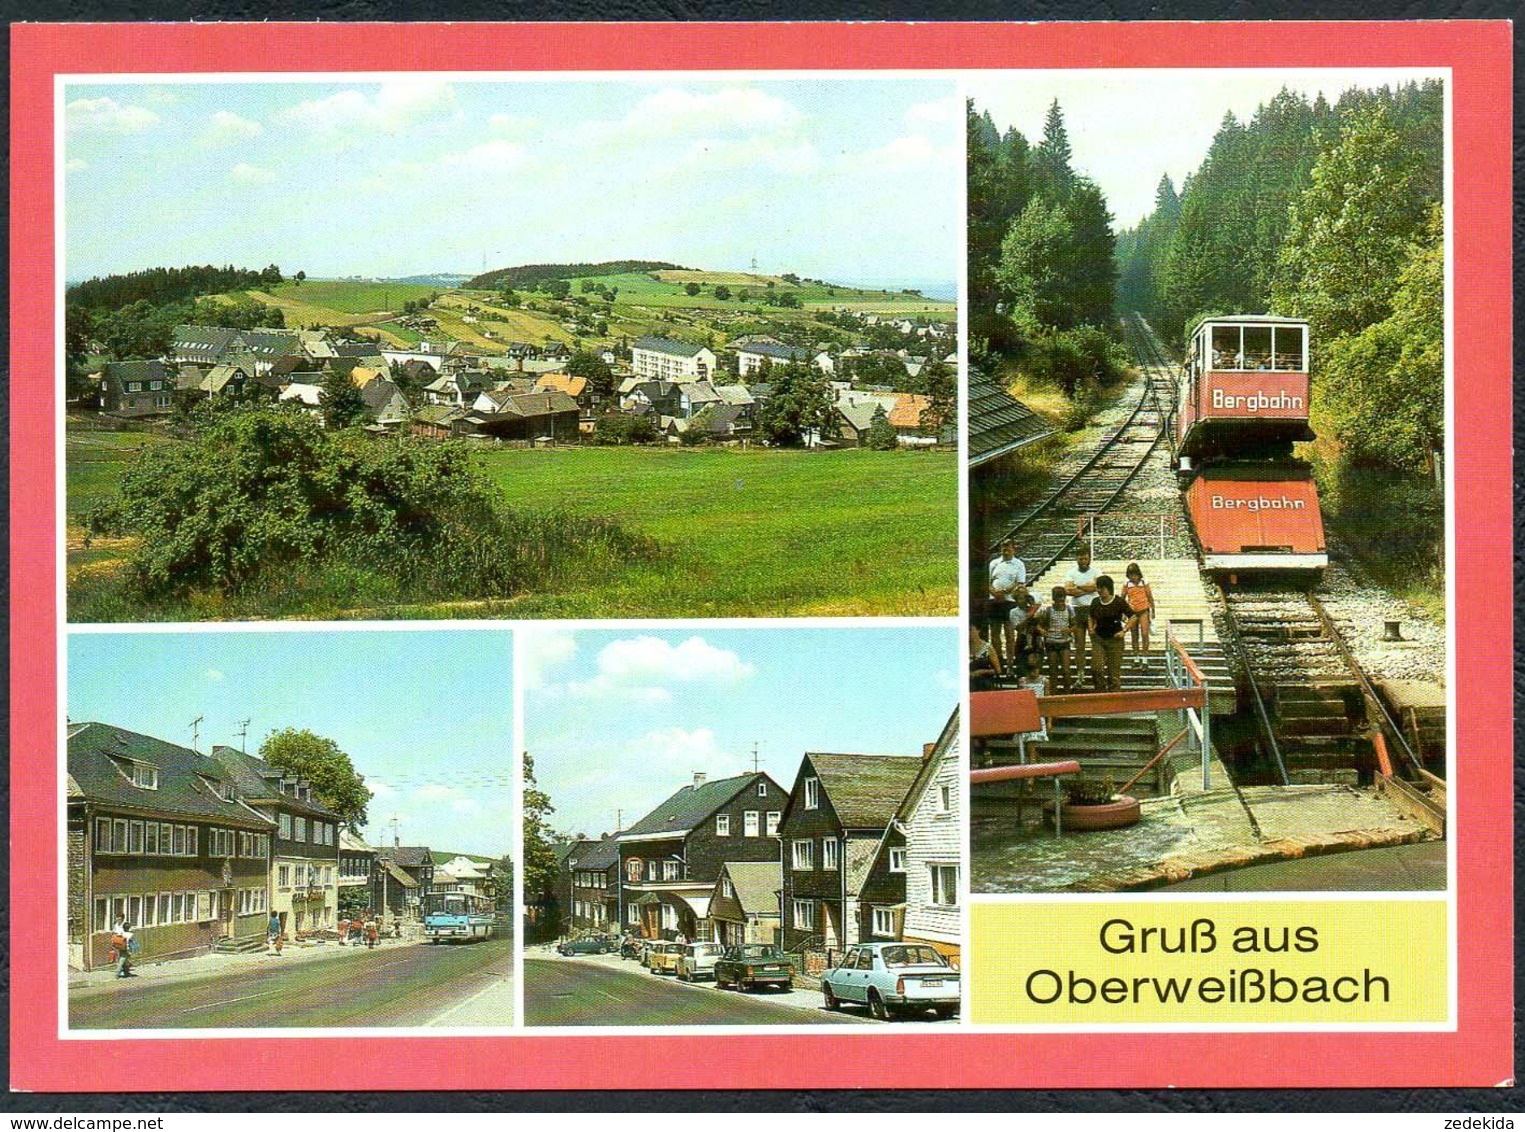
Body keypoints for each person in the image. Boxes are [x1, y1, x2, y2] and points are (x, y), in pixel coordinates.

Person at [1088, 575, 1131, 693]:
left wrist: (1125, 630)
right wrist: (1090, 628)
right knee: (1096, 668)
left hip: (1115, 639)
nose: (1100, 591)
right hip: (1099, 638)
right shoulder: (1095, 602)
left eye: (1102, 588)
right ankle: (1100, 692)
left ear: (1109, 588)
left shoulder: (1118, 601)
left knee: (1114, 673)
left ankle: (1115, 697)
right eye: (1098, 588)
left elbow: (1133, 616)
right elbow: (1090, 616)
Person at [988, 541, 1028, 667]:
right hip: (994, 601)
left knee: (1009, 633)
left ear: (1013, 549)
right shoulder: (994, 563)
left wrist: (1004, 592)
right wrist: (994, 592)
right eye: (1003, 550)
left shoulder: (1018, 564)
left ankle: (1010, 661)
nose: (1005, 552)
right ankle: (999, 659)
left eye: (1008, 550)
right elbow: (988, 581)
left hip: (1009, 601)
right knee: (995, 632)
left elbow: (1020, 582)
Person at [1064, 549, 1100, 686]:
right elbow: (1068, 590)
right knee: (1079, 645)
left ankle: (1097, 673)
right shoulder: (1071, 572)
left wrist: (1077, 587)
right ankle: (1080, 675)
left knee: (1096, 643)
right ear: (1077, 559)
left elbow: (1097, 586)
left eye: (1085, 559)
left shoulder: (1096, 571)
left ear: (1089, 558)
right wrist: (1087, 588)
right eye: (1080, 559)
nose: (1083, 562)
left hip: (1092, 610)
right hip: (1077, 611)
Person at [1034, 585, 1073, 694]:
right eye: (1058, 600)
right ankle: (1053, 692)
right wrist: (1042, 631)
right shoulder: (1048, 610)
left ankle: (1067, 692)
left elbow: (1075, 625)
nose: (1060, 602)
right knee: (1053, 670)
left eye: (1062, 600)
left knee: (1066, 670)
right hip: (1051, 641)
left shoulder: (1069, 609)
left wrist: (1069, 630)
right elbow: (1038, 625)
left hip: (1064, 641)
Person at [1122, 562, 1156, 662]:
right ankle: (1136, 656)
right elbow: (1122, 598)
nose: (1133, 577)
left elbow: (1150, 597)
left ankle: (1145, 656)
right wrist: (1123, 613)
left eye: (1135, 575)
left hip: (1144, 610)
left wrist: (1153, 610)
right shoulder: (1127, 584)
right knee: (1134, 634)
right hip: (1132, 611)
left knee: (1145, 633)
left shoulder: (1144, 582)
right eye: (1131, 575)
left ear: (1138, 574)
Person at [1007, 588, 1042, 680]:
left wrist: (1033, 611)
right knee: (1022, 669)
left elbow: (1040, 622)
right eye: (1020, 598)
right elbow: (1018, 628)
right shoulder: (1014, 612)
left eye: (1024, 598)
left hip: (1035, 638)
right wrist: (1028, 616)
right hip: (1022, 639)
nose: (1023, 601)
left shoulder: (1033, 608)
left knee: (1035, 667)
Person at [969, 624, 1000, 692]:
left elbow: (998, 670)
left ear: (978, 630)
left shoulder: (988, 648)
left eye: (971, 630)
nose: (969, 633)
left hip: (984, 682)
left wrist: (981, 672)